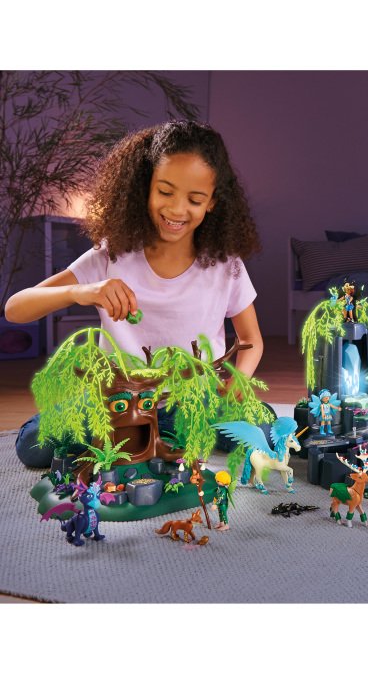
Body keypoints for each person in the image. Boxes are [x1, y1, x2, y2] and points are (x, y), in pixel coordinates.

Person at [5, 120, 264, 466]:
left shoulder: (225, 265)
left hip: (192, 402)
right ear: (146, 188)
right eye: (165, 192)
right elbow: (15, 309)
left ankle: (145, 441)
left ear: (212, 202)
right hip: (119, 402)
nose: (177, 209)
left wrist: (238, 382)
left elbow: (251, 340)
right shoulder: (112, 255)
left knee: (263, 428)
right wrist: (84, 291)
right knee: (33, 445)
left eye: (195, 199)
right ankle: (148, 439)